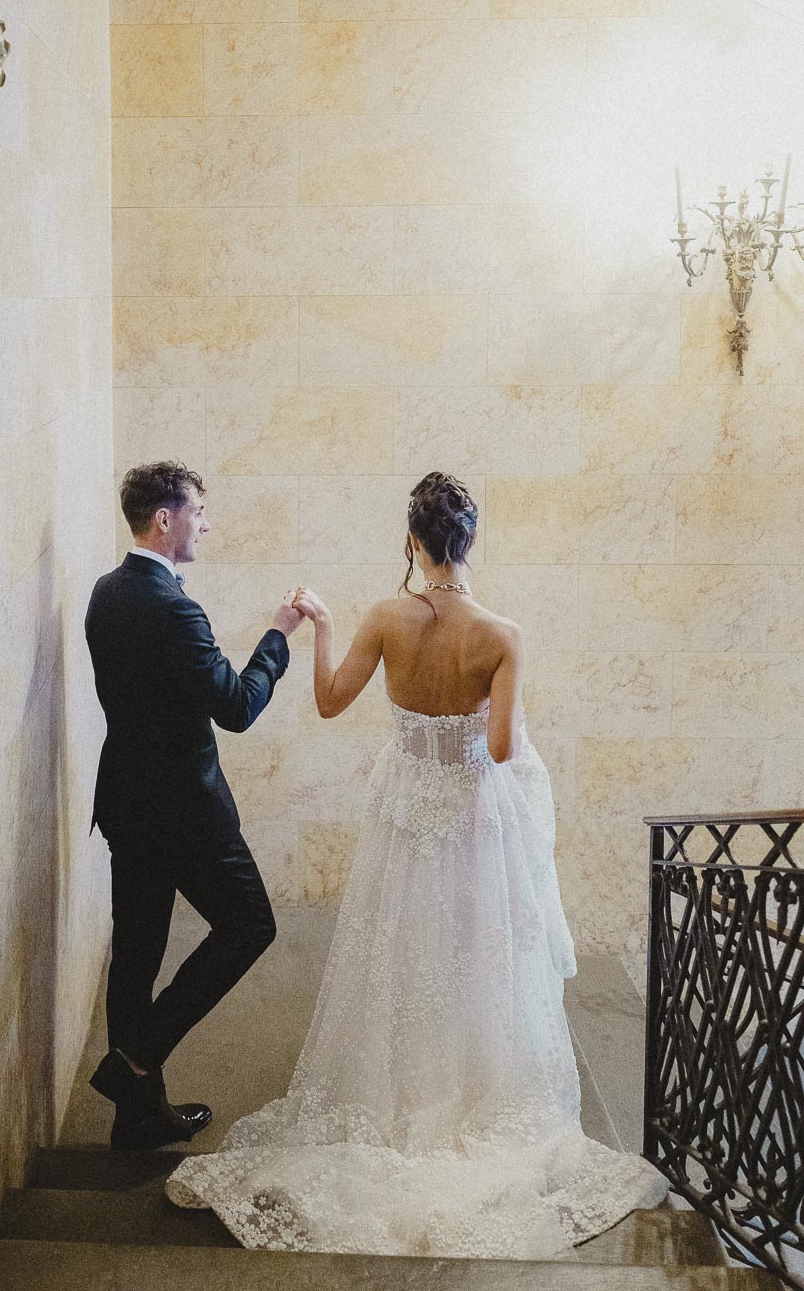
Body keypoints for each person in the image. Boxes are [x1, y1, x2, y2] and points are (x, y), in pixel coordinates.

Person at [166, 471, 667, 1255]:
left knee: (401, 950)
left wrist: (324, 626)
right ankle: (468, 1095)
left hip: (402, 817)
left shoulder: (384, 617)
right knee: (476, 955)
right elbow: (501, 749)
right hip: (472, 820)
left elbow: (330, 700)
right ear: (471, 539)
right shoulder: (502, 635)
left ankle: (399, 1093)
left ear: (412, 540)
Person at [84, 460, 304, 1152]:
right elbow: (236, 707)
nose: (206, 525)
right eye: (198, 513)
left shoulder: (106, 591)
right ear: (165, 520)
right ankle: (133, 1061)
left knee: (136, 953)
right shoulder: (174, 608)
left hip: (126, 802)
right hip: (184, 814)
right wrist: (278, 636)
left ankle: (138, 1118)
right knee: (250, 925)